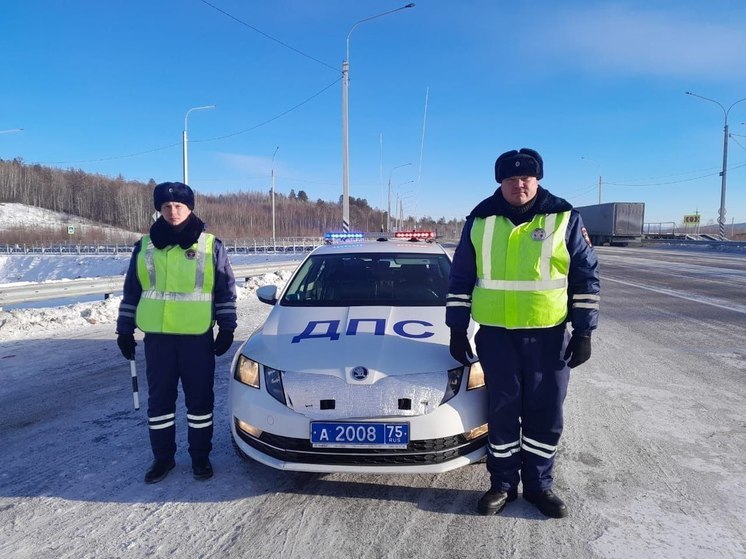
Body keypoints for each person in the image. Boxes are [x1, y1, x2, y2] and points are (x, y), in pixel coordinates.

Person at [446, 148, 599, 518]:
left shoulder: (563, 218)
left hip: (548, 337)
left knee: (544, 413)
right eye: (511, 179)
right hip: (496, 337)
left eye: (526, 178)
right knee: (501, 412)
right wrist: (456, 328)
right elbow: (461, 278)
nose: (519, 184)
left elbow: (585, 277)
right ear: (500, 181)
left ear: (538, 179)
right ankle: (502, 485)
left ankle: (538, 487)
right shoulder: (480, 221)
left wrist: (583, 331)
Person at [115, 181, 237, 483]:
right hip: (157, 339)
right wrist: (124, 330)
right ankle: (163, 459)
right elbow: (132, 291)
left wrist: (227, 328)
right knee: (160, 403)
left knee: (199, 403)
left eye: (178, 206)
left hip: (197, 338)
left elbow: (225, 291)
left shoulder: (211, 246)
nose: (172, 211)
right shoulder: (144, 247)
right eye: (166, 207)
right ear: (159, 209)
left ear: (190, 208)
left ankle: (200, 458)